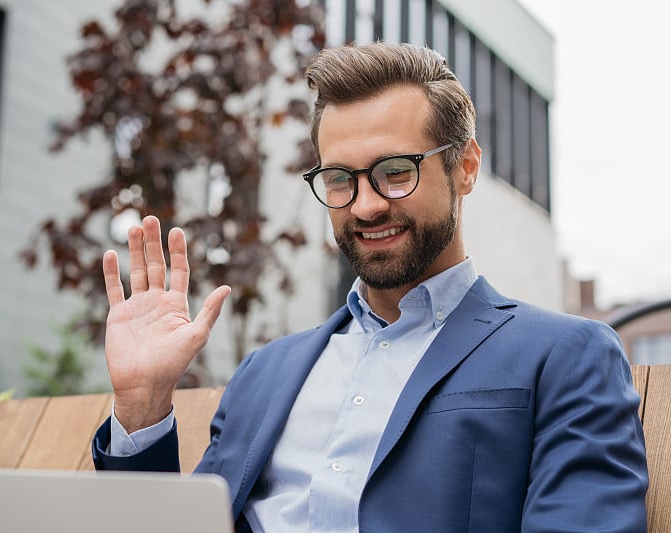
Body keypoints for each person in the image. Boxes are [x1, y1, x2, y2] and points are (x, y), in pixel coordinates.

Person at [92, 42, 648, 532]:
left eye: (396, 171)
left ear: (466, 168)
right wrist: (142, 407)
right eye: (340, 179)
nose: (366, 205)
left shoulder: (566, 357)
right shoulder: (264, 374)